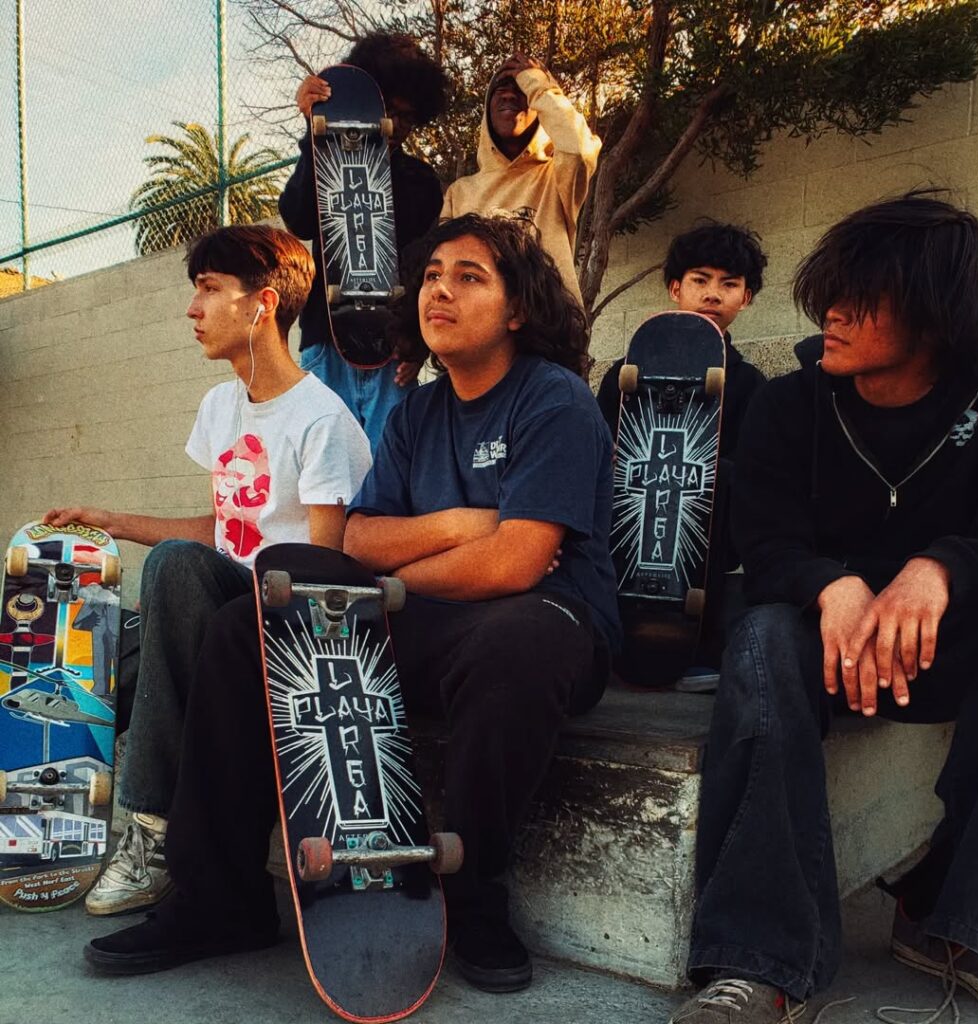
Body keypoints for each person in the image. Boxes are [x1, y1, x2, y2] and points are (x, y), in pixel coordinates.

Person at [82, 215, 621, 997]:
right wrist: (452, 532)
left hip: (550, 621)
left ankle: (472, 900)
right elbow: (358, 542)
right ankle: (217, 901)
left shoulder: (555, 401)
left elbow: (518, 563)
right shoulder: (417, 415)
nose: (440, 289)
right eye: (432, 274)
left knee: (518, 642)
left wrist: (411, 568)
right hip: (433, 619)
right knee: (246, 628)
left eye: (468, 276)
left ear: (517, 310)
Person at [671, 192, 978, 1024]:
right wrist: (830, 582)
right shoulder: (791, 404)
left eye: (862, 297)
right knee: (760, 638)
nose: (831, 311)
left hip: (953, 645)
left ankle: (953, 920)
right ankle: (760, 960)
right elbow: (763, 537)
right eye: (831, 289)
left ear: (934, 315)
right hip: (820, 647)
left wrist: (940, 569)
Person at [45, 225, 372, 918]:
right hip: (219, 607)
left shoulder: (322, 422)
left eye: (209, 290)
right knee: (100, 640)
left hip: (283, 621)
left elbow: (324, 568)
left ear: (262, 305)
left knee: (170, 591)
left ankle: (152, 833)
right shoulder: (219, 407)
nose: (193, 310)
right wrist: (115, 522)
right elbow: (223, 535)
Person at [279, 32, 448, 450]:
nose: (395, 124)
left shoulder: (421, 183)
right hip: (327, 337)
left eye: (407, 116)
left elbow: (418, 265)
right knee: (322, 476)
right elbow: (297, 217)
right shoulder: (326, 164)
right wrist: (314, 132)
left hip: (391, 354)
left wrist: (417, 342)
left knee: (388, 475)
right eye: (387, 108)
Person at [596, 221, 768, 459]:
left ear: (745, 298)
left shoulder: (751, 384)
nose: (713, 295)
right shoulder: (626, 372)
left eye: (729, 284)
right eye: (700, 280)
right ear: (675, 289)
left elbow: (753, 471)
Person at [442, 53, 601, 308]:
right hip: (478, 331)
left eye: (521, 89)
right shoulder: (459, 192)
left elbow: (580, 149)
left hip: (547, 332)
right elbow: (444, 267)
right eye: (499, 90)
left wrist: (539, 85)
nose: (508, 95)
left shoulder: (555, 176)